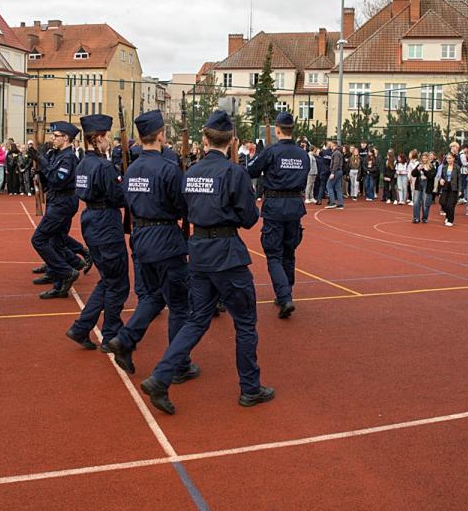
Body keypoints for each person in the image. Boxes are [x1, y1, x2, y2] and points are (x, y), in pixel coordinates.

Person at [140, 110, 273, 415]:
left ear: (204, 139)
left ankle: (161, 376)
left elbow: (185, 208)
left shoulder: (191, 172)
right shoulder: (234, 173)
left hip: (198, 251)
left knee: (196, 319)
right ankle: (250, 389)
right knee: (245, 324)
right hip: (226, 254)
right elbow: (250, 220)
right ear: (232, 140)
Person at [108, 110, 196, 381]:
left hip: (141, 238)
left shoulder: (132, 168)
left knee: (154, 297)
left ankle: (125, 339)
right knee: (180, 305)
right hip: (166, 239)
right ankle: (178, 364)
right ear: (160, 135)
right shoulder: (168, 169)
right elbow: (182, 206)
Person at [66, 114, 130, 351]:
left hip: (91, 221)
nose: (109, 142)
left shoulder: (83, 162)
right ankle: (111, 334)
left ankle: (82, 327)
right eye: (107, 138)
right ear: (99, 138)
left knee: (108, 279)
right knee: (118, 283)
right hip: (106, 223)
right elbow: (117, 197)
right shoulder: (103, 166)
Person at [247, 111, 310, 318]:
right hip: (295, 206)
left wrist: (259, 156)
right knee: (289, 251)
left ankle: (284, 297)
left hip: (275, 206)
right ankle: (286, 291)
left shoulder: (272, 151)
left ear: (277, 129)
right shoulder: (303, 154)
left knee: (273, 254)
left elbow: (252, 171)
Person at [29, 122, 82, 299]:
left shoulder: (68, 158)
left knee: (39, 239)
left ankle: (66, 271)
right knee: (56, 241)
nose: (52, 138)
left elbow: (57, 179)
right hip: (57, 199)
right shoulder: (59, 155)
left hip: (63, 202)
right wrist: (38, 166)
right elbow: (49, 177)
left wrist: (41, 161)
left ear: (66, 138)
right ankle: (60, 284)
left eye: (56, 135)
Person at [436, 152, 459, 227]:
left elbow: (460, 179)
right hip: (445, 186)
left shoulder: (457, 167)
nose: (448, 160)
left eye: (450, 158)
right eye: (447, 158)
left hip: (453, 187)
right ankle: (448, 215)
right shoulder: (444, 167)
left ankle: (450, 220)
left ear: (453, 158)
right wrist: (441, 180)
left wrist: (460, 190)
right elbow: (442, 176)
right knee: (442, 202)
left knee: (450, 204)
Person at [411, 152, 434, 223]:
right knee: (416, 202)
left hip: (427, 185)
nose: (424, 159)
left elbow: (431, 176)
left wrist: (423, 170)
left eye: (425, 158)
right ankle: (416, 218)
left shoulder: (431, 166)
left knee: (425, 202)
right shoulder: (419, 165)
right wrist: (418, 169)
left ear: (428, 158)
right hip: (419, 184)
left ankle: (425, 218)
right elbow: (413, 174)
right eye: (423, 158)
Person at [325, 140, 344, 209]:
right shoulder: (339, 152)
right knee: (338, 188)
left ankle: (332, 202)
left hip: (336, 171)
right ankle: (340, 204)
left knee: (329, 186)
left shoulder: (336, 153)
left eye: (331, 145)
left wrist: (332, 173)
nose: (330, 146)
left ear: (334, 145)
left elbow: (336, 163)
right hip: (339, 171)